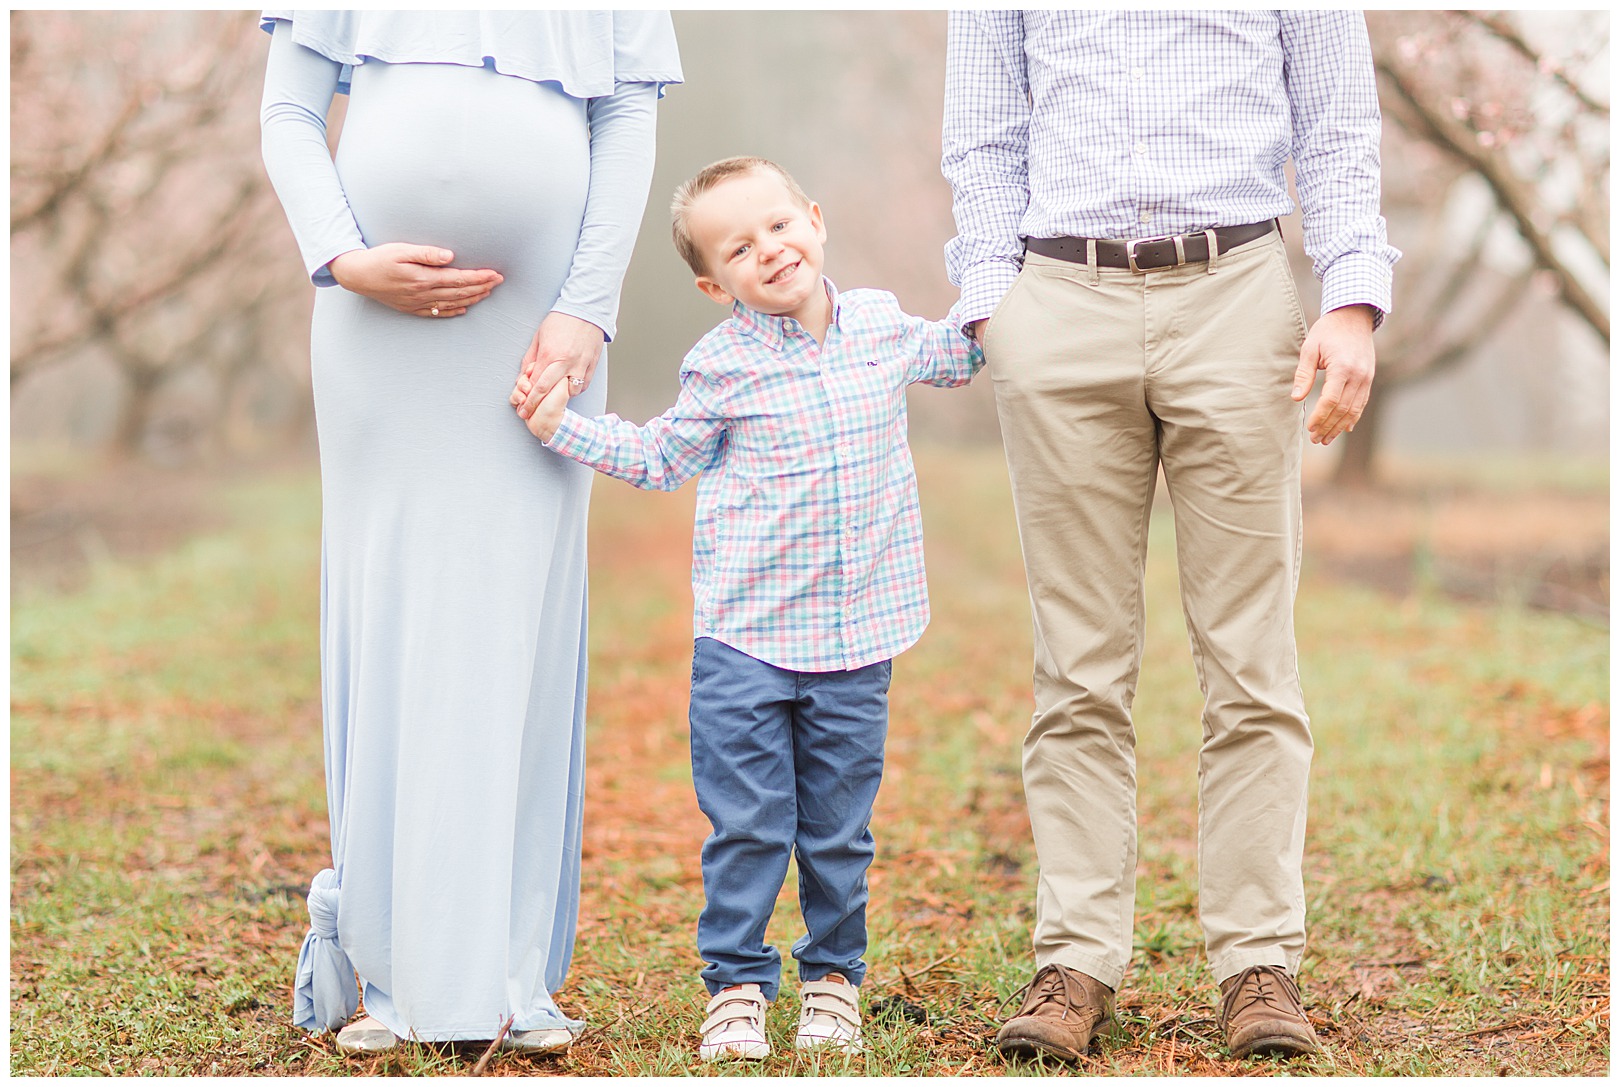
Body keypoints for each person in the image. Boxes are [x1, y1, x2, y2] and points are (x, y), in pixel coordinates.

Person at [940, 10, 1399, 1063]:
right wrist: (991, 308)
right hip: (1056, 300)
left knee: (1251, 658)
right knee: (1078, 666)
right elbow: (982, 133)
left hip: (1236, 294)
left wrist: (1353, 297)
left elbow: (1336, 123)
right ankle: (1077, 962)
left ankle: (1257, 963)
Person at [258, 10, 681, 1054]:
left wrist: (587, 307)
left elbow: (626, 120)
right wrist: (343, 258)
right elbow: (287, 109)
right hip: (372, 327)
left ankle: (506, 975)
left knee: (513, 625)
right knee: (390, 610)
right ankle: (395, 974)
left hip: (540, 328)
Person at [509, 156, 983, 1061]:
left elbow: (966, 355)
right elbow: (658, 458)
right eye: (738, 246)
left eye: (777, 225)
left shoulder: (882, 326)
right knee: (752, 821)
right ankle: (735, 983)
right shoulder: (721, 365)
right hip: (748, 642)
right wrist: (559, 425)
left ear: (814, 217)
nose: (767, 250)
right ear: (711, 280)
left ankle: (834, 976)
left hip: (856, 637)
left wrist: (1014, 290)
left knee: (840, 828)